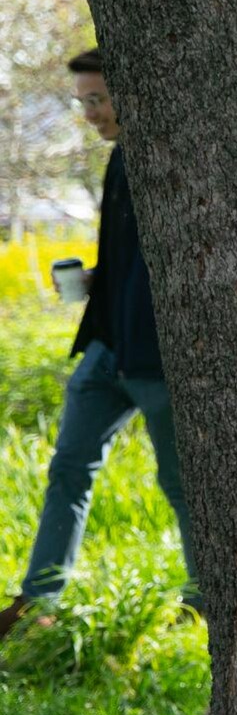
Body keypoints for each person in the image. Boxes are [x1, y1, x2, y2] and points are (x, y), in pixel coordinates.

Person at [0, 48, 199, 642]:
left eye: (97, 99)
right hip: (107, 349)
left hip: (157, 359)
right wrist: (97, 280)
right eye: (82, 100)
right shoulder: (119, 160)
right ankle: (39, 603)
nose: (89, 112)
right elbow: (130, 261)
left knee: (180, 482)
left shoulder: (171, 162)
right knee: (68, 468)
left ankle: (207, 594)